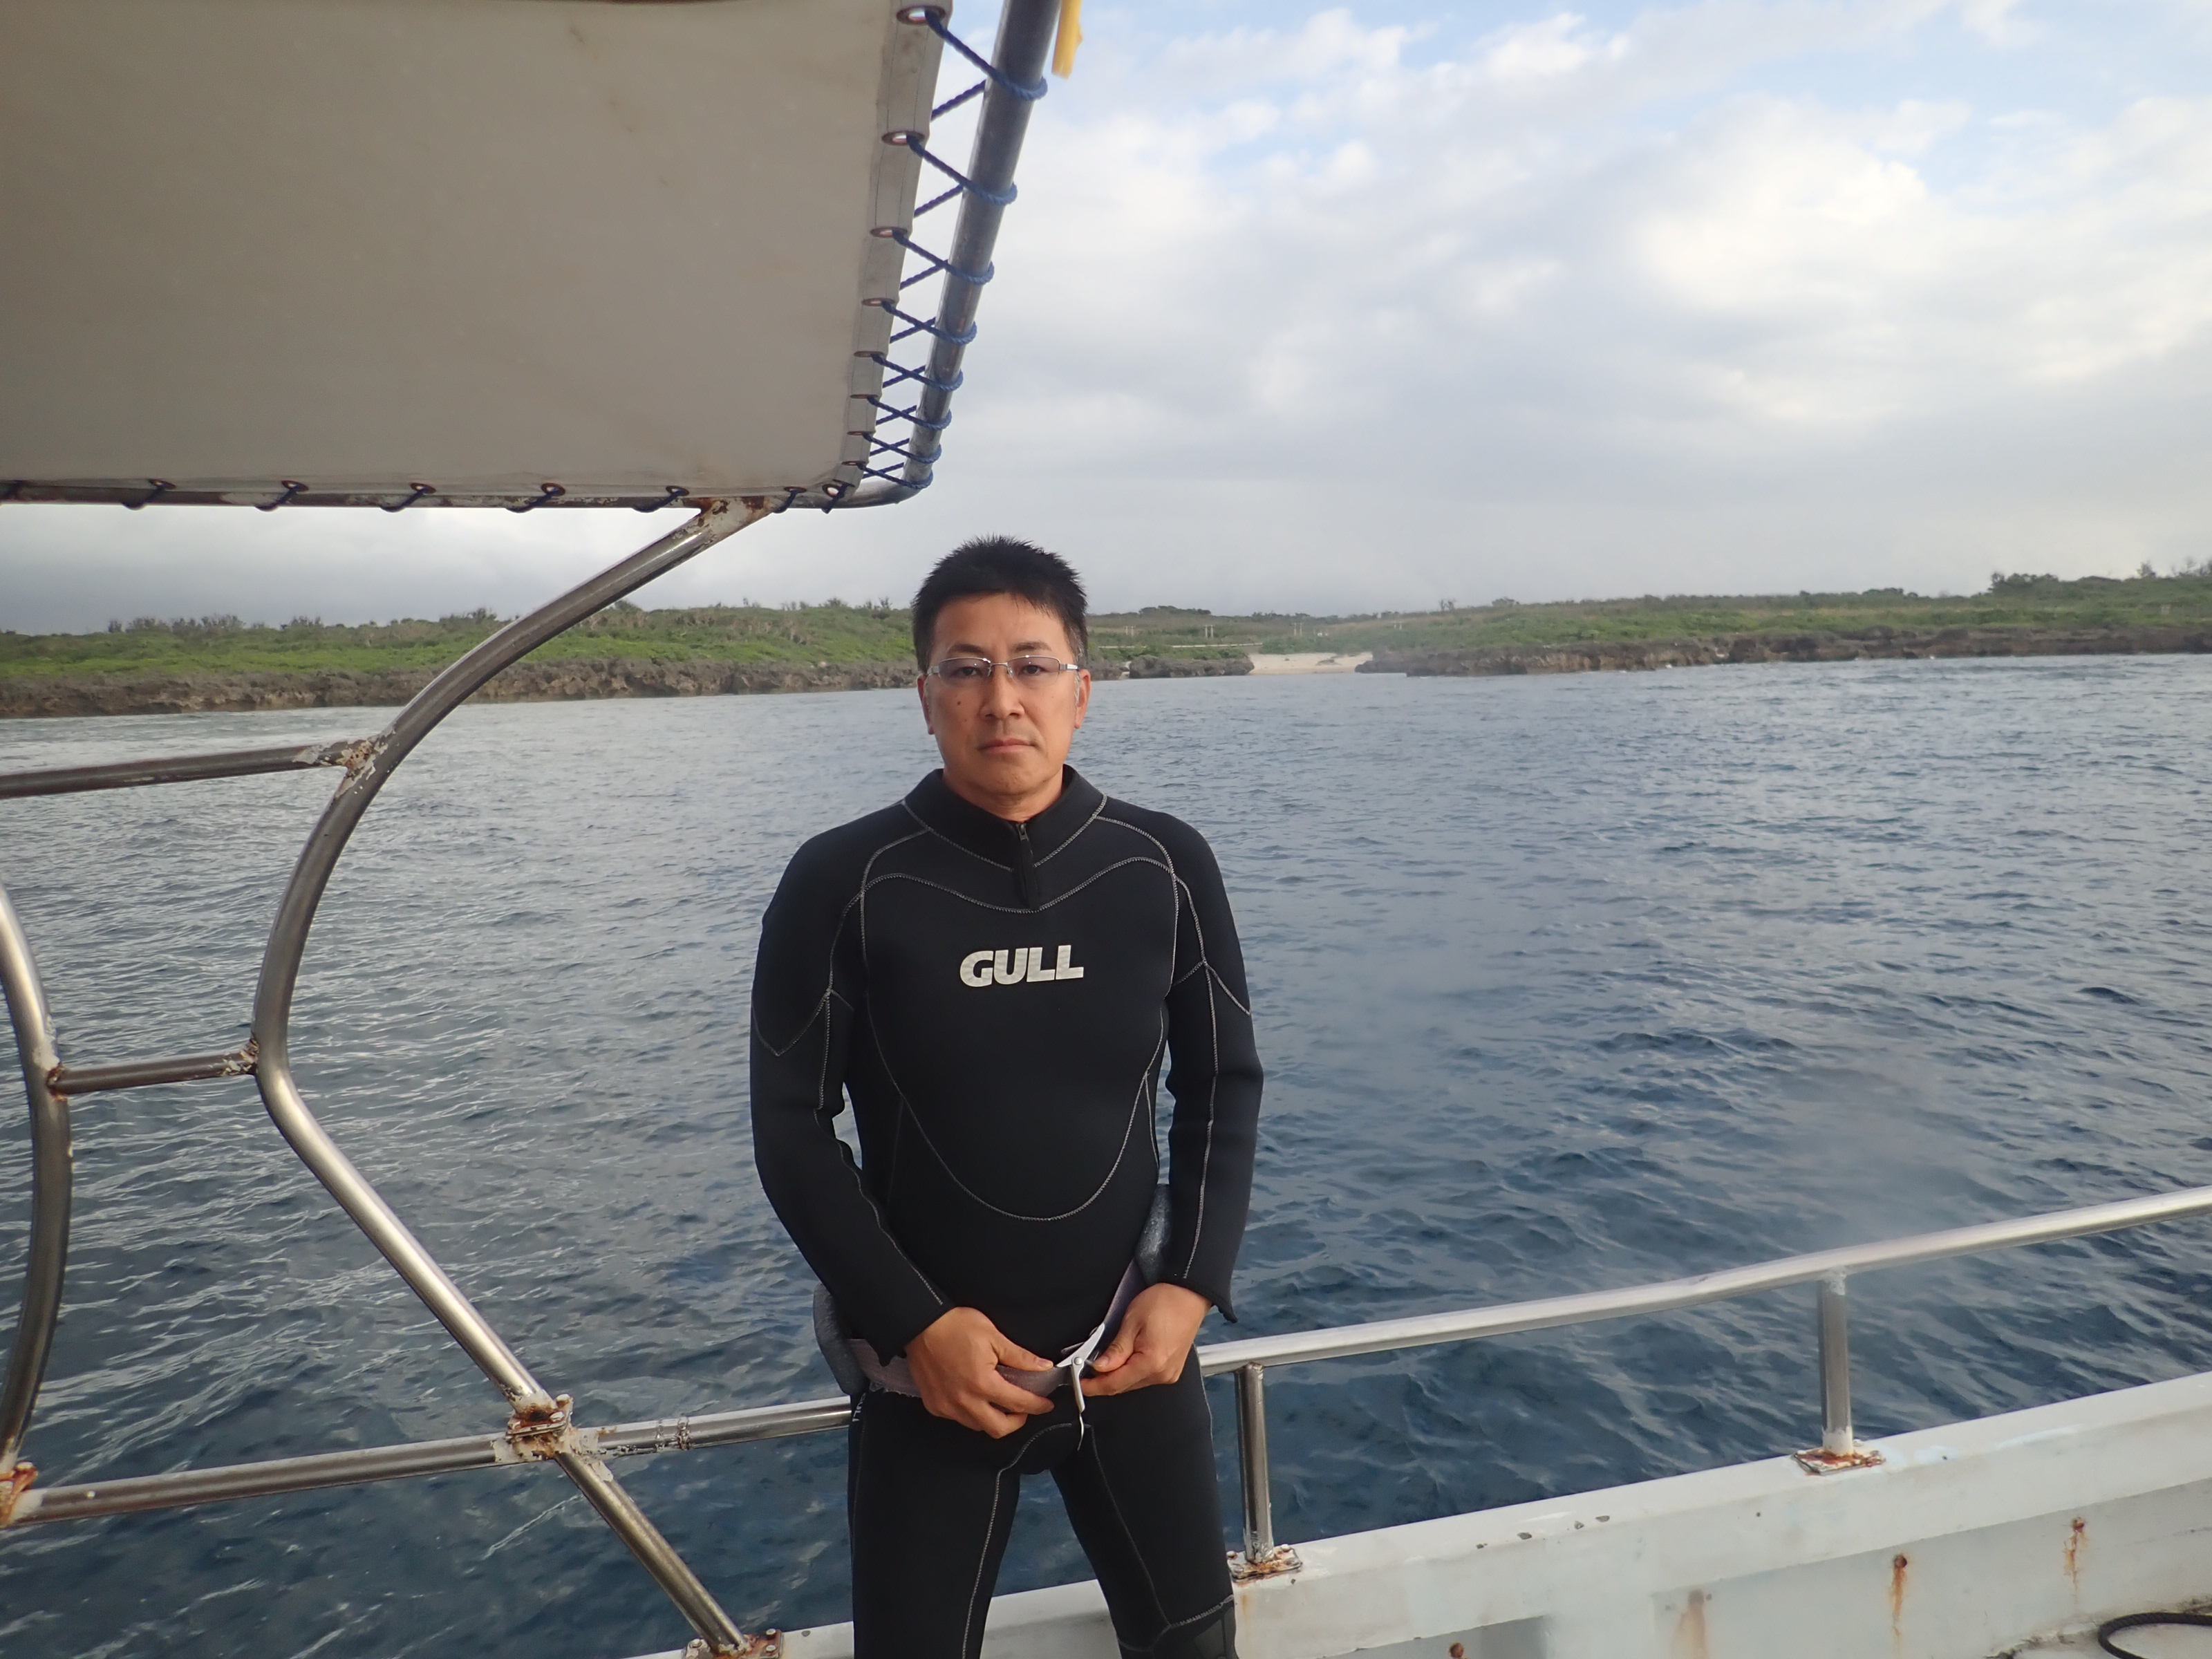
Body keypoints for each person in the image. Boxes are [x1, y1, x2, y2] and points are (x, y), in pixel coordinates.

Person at [750, 536, 1264, 1659]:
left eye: (1032, 665)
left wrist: (1190, 1285)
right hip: (928, 1381)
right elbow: (791, 1129)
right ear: (924, 696)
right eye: (966, 668)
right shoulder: (845, 881)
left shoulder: (1163, 864)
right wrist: (917, 1323)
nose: (1002, 699)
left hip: (1131, 1356)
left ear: (1083, 689)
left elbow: (1223, 1083)